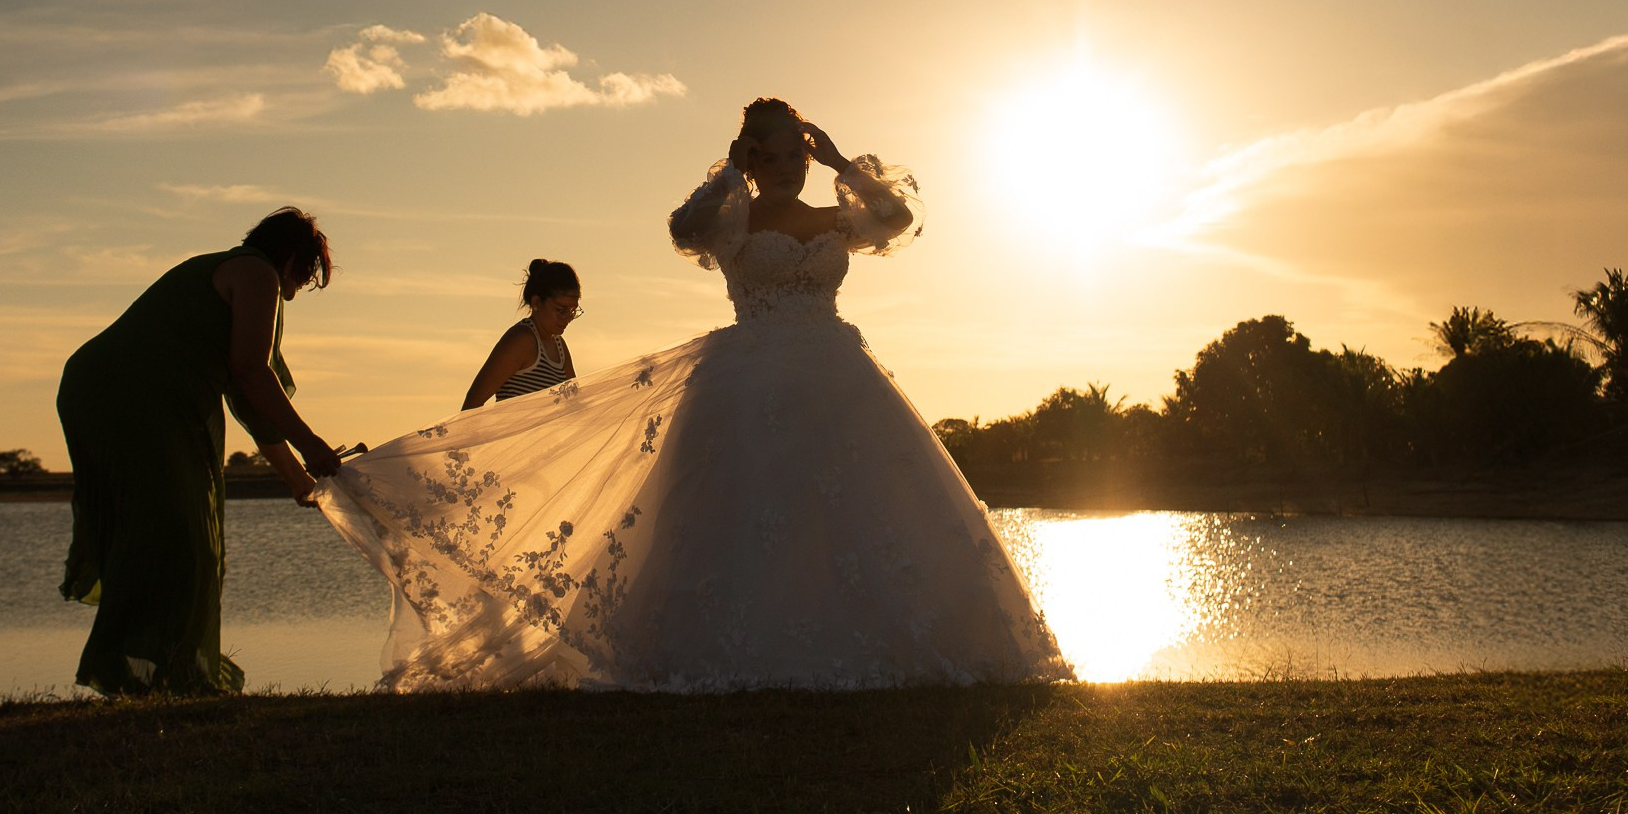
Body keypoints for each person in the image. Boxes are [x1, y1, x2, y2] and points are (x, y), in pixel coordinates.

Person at [312, 100, 1067, 690]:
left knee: (855, 515)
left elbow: (898, 217)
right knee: (746, 520)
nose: (787, 164)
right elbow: (684, 227)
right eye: (771, 151)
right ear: (749, 154)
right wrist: (732, 174)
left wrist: (838, 159)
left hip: (840, 376)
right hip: (749, 383)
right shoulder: (733, 217)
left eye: (794, 151)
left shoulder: (833, 215)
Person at [57, 207, 345, 695]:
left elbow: (250, 400)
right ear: (293, 257)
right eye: (307, 273)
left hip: (103, 388)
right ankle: (162, 673)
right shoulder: (257, 273)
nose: (301, 287)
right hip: (133, 394)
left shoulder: (235, 270)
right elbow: (253, 375)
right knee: (181, 534)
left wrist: (298, 479)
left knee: (166, 531)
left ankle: (161, 672)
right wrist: (311, 444)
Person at [461, 260, 582, 408]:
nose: (567, 317)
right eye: (560, 309)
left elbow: (575, 404)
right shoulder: (522, 340)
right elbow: (473, 402)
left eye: (572, 311)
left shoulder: (559, 346)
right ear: (536, 302)